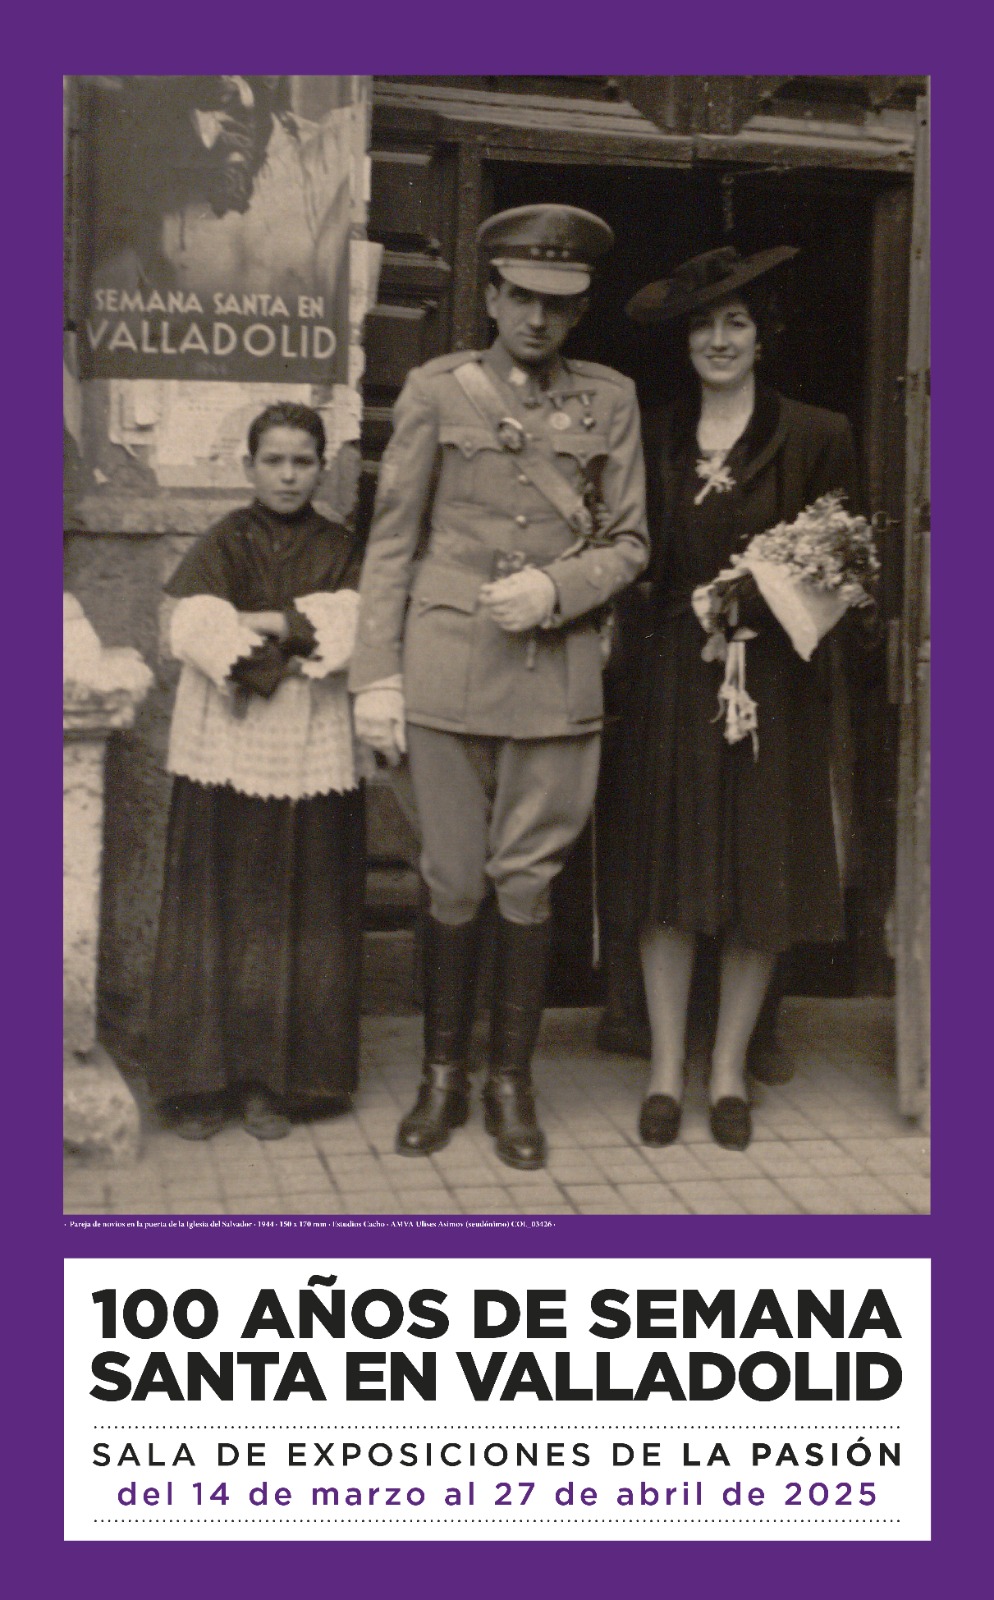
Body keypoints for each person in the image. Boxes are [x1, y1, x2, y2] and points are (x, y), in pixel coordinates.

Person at [350, 204, 648, 1171]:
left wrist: (559, 589)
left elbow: (631, 542)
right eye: (521, 297)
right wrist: (374, 675)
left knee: (527, 883)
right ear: (489, 295)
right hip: (444, 666)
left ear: (580, 310)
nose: (537, 318)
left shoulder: (611, 401)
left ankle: (511, 1083)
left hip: (553, 673)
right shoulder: (439, 390)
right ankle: (442, 1075)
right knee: (451, 877)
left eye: (558, 304)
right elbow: (391, 540)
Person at [621, 245, 861, 1152]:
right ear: (684, 342)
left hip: (774, 686)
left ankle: (726, 1071)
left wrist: (754, 598)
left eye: (736, 323)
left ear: (764, 338)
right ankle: (664, 1070)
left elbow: (844, 565)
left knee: (759, 871)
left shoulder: (817, 434)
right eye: (702, 326)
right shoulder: (655, 434)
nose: (718, 340)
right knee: (670, 874)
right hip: (675, 680)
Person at [147, 402, 368, 1141]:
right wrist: (287, 650)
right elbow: (193, 625)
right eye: (273, 460)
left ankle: (281, 1082)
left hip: (309, 749)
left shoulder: (341, 546)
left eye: (303, 461)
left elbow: (354, 625)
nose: (288, 475)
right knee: (216, 904)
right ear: (249, 467)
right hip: (225, 745)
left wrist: (268, 622)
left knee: (299, 906)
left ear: (323, 468)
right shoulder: (225, 538)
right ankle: (202, 1082)